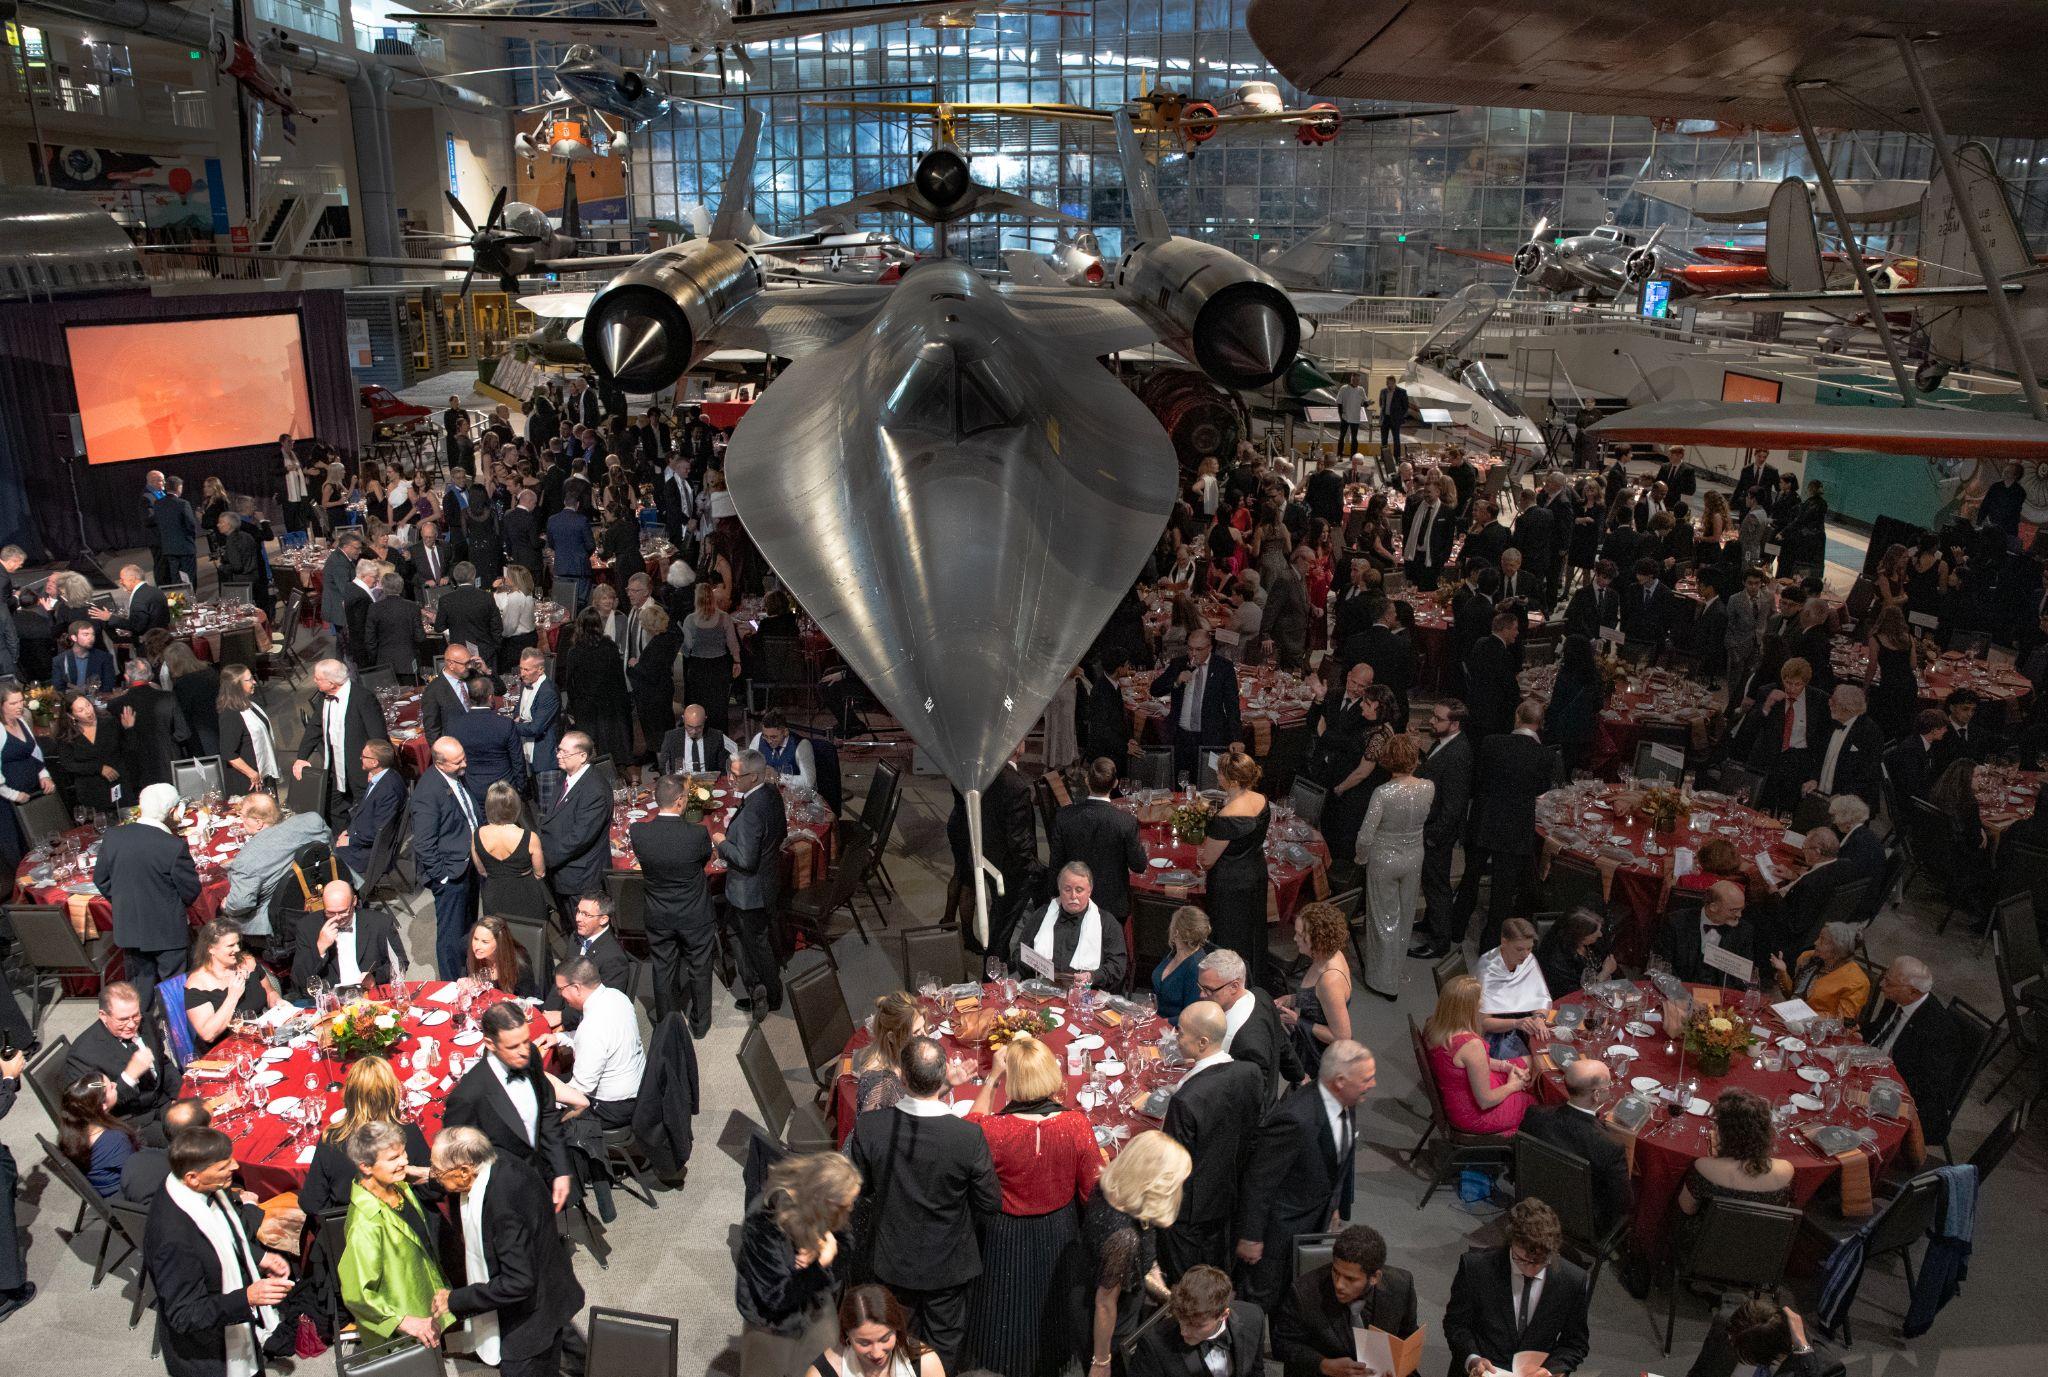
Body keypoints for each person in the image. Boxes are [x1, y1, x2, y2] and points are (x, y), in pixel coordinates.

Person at [844, 1037, 1002, 1371]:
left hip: (892, 1260)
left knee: (897, 1342)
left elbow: (861, 1189)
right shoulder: (967, 1137)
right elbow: (989, 1202)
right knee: (944, 1348)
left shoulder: (870, 1128)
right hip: (948, 1265)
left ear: (901, 1077)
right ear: (944, 1072)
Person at [961, 1036, 1103, 1377]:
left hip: (1004, 1233)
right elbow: (1092, 1191)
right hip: (1060, 1228)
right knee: (1054, 1303)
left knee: (1004, 1305)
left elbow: (969, 1127)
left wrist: (992, 1078)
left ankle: (1002, 1358)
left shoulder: (993, 1131)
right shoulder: (1075, 1124)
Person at [428, 1125, 587, 1377]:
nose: (434, 1175)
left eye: (437, 1170)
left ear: (464, 1172)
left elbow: (518, 1282)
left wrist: (455, 1300)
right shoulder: (496, 1159)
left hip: (532, 1316)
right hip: (549, 1286)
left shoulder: (503, 1209)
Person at [1232, 1040, 1376, 1309]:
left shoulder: (1349, 1101)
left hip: (1312, 1222)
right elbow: (1259, 1179)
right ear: (1341, 1081)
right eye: (1367, 1078)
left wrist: (1333, 1206)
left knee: (1294, 1297)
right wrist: (1251, 1235)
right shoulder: (1295, 1118)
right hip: (1277, 1234)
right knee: (1259, 1300)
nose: (1373, 1084)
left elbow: (1338, 1161)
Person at [143, 1127, 293, 1377]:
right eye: (224, 1166)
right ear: (193, 1177)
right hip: (210, 1357)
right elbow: (184, 1314)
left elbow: (223, 1235)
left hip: (237, 1329)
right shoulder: (173, 1238)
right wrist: (246, 1298)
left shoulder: (197, 1187)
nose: (234, 1167)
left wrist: (260, 1257)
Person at [1158, 1001, 1266, 1281]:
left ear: (1202, 1042)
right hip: (1230, 1198)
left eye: (1180, 1033)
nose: (1175, 1037)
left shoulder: (1186, 1100)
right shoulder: (1251, 1073)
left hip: (1189, 1214)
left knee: (1185, 1286)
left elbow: (1172, 1165)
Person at [443, 1001, 574, 1212]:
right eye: (513, 1046)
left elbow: (547, 1113)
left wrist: (560, 1168)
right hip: (503, 1202)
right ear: (489, 1043)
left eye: (525, 1041)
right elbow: (458, 1163)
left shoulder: (529, 1056)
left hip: (542, 1181)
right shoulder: (468, 1096)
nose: (524, 1051)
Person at [739, 1151, 860, 1377]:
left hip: (814, 1310)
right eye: (847, 1204)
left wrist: (830, 1249)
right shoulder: (765, 1220)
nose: (851, 1209)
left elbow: (845, 1245)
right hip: (773, 1327)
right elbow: (775, 1297)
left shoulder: (827, 1208)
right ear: (824, 1200)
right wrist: (821, 1264)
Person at [338, 1120, 455, 1352]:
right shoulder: (366, 1223)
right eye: (393, 1159)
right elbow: (357, 1294)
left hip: (423, 1304)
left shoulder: (398, 1186)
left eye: (403, 1153)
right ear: (366, 1166)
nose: (405, 1162)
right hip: (403, 1333)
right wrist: (403, 1321)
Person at [1079, 1129, 1189, 1377]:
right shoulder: (1124, 1237)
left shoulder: (1117, 1188)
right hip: (1112, 1319)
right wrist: (1101, 1361)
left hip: (1107, 1292)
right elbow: (1105, 1303)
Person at [94, 783, 203, 1015]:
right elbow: (190, 890)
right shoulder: (172, 846)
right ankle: (181, 1045)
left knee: (140, 995)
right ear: (174, 811)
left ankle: (141, 1040)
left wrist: (127, 904)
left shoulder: (113, 836)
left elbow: (101, 879)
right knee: (174, 995)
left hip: (130, 929)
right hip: (168, 933)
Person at [1455, 700, 1552, 951]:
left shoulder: (1491, 743)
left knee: (1470, 878)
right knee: (1502, 892)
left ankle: (1456, 928)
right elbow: (1541, 789)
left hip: (1484, 820)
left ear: (1517, 716)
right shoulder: (1544, 755)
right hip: (1515, 829)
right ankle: (1488, 944)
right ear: (1539, 724)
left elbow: (1478, 778)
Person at [1273, 1223, 1418, 1377]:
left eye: (1350, 1279)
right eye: (1335, 1272)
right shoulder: (1304, 1292)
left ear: (1375, 1277)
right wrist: (1323, 1364)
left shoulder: (1401, 1285)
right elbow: (1282, 1343)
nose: (1339, 1284)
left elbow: (1407, 1335)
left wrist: (1396, 1367)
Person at [634, 773, 719, 1032]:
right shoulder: (697, 834)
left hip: (659, 915)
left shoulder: (637, 832)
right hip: (694, 915)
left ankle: (667, 1025)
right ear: (680, 802)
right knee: (700, 968)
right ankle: (700, 1025)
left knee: (662, 968)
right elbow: (705, 860)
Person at [298, 1054, 431, 1219]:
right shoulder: (408, 1132)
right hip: (404, 1229)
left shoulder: (332, 1140)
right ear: (391, 1093)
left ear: (349, 1094)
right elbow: (431, 1192)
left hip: (352, 1233)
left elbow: (312, 1203)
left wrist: (347, 1216)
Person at [1349, 732, 1431, 997]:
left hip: (1384, 859)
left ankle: (1382, 981)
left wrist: (1360, 858)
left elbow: (1365, 835)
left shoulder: (1382, 793)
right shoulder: (1428, 787)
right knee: (1405, 916)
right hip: (1414, 857)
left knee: (1383, 919)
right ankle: (1395, 971)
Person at [1516, 1060, 1631, 1235]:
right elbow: (1621, 1204)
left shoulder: (1536, 1115)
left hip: (1533, 1201)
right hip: (1581, 1225)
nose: (1610, 1089)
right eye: (1609, 1086)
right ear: (1597, 1095)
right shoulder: (1610, 1147)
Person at [1674, 1090, 1795, 1256]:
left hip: (1703, 1251)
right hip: (1756, 1255)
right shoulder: (1785, 1170)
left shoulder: (1704, 1167)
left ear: (1725, 1134)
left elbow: (1686, 1208)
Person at [1859, 956, 1965, 1144]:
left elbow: (1929, 1086)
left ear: (1913, 992)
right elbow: (1880, 1029)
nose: (1882, 984)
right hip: (1871, 1071)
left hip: (1905, 1098)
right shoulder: (1896, 998)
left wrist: (1879, 1079)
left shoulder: (1940, 1031)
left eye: (1889, 983)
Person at [719, 747, 790, 1014]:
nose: (731, 779)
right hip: (767, 882)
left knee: (757, 944)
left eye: (736, 775)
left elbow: (745, 860)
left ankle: (770, 995)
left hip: (749, 891)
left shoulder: (751, 812)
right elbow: (781, 831)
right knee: (736, 932)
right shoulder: (771, 794)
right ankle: (756, 985)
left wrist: (722, 842)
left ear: (754, 777)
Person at [1193, 748, 1271, 988]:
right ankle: (1253, 980)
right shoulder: (1261, 801)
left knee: (1230, 935)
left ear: (1233, 780)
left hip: (1230, 884)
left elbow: (1207, 860)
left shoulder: (1227, 816)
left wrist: (1200, 856)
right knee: (1253, 931)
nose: (1218, 777)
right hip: (1256, 873)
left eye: (1221, 774)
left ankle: (1227, 985)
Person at [1423, 976, 1533, 1135]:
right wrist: (1513, 1086)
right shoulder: (1471, 1045)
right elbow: (1485, 1101)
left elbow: (1470, 1064)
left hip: (1460, 1094)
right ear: (1470, 1009)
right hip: (1475, 1114)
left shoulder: (1433, 1026)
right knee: (1534, 1105)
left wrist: (1507, 1066)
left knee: (1526, 1062)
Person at [1049, 756, 1147, 929]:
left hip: (1075, 902)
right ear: (1115, 783)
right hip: (1113, 908)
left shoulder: (1064, 817)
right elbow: (1139, 865)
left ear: (1087, 781)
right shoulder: (1125, 822)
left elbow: (1056, 864)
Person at [412, 736, 482, 979]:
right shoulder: (427, 793)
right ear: (440, 763)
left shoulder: (455, 777)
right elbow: (423, 842)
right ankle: (451, 984)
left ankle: (469, 972)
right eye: (457, 762)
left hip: (468, 865)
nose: (464, 765)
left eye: (463, 758)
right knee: (451, 937)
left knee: (468, 926)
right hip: (451, 874)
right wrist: (442, 877)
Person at [218, 792, 331, 937]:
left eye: (243, 816)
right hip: (319, 890)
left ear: (258, 823)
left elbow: (241, 904)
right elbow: (328, 850)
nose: (241, 820)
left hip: (277, 918)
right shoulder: (312, 821)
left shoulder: (247, 859)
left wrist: (227, 906)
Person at [64, 981, 176, 1128]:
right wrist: (129, 1076)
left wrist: (180, 1095)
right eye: (123, 1019)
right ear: (103, 1016)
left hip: (163, 1102)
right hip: (129, 1121)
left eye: (135, 1016)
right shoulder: (83, 1055)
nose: (131, 1025)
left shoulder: (146, 1021)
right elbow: (91, 1108)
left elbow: (163, 1062)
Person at [293, 658, 392, 824]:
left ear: (332, 683)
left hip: (360, 767)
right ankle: (343, 839)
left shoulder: (363, 698)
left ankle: (366, 844)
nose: (314, 681)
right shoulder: (324, 698)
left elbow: (378, 737)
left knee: (367, 810)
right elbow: (314, 728)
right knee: (332, 807)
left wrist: (375, 768)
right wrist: (302, 757)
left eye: (318, 678)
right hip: (334, 766)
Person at [1009, 861, 1130, 989]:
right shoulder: (1042, 914)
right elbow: (1019, 953)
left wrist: (1093, 977)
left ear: (1089, 891)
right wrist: (1033, 965)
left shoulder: (1107, 922)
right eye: (1067, 889)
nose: (1073, 896)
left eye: (1079, 890)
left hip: (1086, 995)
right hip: (1041, 990)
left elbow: (1118, 966)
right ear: (1059, 890)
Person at [1129, 1264, 1264, 1377]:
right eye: (1181, 1320)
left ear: (1223, 1315)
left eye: (1196, 1325)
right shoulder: (1154, 1344)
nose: (1184, 1332)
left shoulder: (1253, 1317)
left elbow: (1256, 1371)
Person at [1150, 630, 1241, 783]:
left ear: (1209, 648)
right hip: (1181, 736)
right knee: (1181, 783)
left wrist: (1236, 738)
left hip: (1210, 737)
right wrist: (1176, 681)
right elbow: (1155, 690)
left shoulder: (1223, 668)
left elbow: (1232, 705)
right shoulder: (1179, 664)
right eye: (1190, 649)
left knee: (1208, 784)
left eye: (1198, 650)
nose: (1193, 654)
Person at [182, 918, 282, 1056]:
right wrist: (233, 996)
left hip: (261, 1038)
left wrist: (280, 1004)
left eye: (237, 943)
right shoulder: (197, 984)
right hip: (228, 1051)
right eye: (230, 946)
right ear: (211, 948)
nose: (237, 949)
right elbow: (208, 1034)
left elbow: (270, 993)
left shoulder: (247, 962)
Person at [1277, 902, 1355, 1073]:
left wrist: (1298, 1021)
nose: (1294, 939)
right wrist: (1291, 999)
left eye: (1299, 935)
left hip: (1321, 1057)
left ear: (1317, 939)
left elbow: (1341, 1037)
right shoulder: (1326, 955)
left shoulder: (1330, 980)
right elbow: (1317, 1000)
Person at [803, 1284, 946, 1377]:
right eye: (864, 1343)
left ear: (897, 1329)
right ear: (847, 1335)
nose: (877, 1353)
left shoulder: (926, 1363)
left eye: (885, 1339)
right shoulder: (821, 1374)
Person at [541, 730, 613, 913]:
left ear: (583, 756)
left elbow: (579, 837)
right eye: (559, 750)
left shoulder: (595, 790)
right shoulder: (565, 778)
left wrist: (544, 859)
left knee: (582, 930)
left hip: (581, 879)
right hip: (563, 872)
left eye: (565, 752)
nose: (558, 755)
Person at [1688, 1297, 1845, 1377]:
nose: (1729, 1341)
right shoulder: (1726, 1322)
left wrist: (1802, 1345)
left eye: (1741, 1352)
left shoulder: (1827, 1369)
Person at [1652, 880, 1758, 989]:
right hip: (1681, 990)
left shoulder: (1744, 931)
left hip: (1721, 995)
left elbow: (1745, 976)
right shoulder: (1676, 923)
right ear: (1713, 907)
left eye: (1741, 909)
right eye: (1734, 910)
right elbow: (1662, 966)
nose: (1739, 915)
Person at [473, 778, 550, 927]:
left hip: (494, 895)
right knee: (532, 943)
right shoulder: (529, 837)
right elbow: (540, 873)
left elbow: (481, 870)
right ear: (515, 806)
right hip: (527, 895)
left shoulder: (477, 835)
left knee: (500, 942)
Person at [334, 739, 408, 888]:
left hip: (372, 853)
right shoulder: (385, 777)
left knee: (329, 862)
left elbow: (379, 832)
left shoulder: (388, 790)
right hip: (363, 840)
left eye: (364, 756)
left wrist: (350, 840)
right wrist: (348, 832)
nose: (360, 758)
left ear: (375, 763)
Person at [1475, 918, 1552, 1059]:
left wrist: (1540, 1017)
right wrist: (1517, 1023)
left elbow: (1540, 998)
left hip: (1522, 1025)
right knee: (1539, 1062)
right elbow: (1483, 1023)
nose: (1526, 954)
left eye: (1529, 948)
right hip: (1495, 1035)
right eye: (1519, 949)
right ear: (1504, 942)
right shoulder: (1488, 969)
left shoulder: (1528, 959)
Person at [448, 673, 527, 803]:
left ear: (468, 698)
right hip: (503, 791)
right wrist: (521, 788)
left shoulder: (455, 726)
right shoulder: (505, 724)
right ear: (490, 697)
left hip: (472, 790)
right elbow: (518, 760)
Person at [59, 1073, 141, 1196]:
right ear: (102, 1105)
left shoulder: (71, 1134)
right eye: (111, 1087)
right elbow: (138, 1173)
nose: (115, 1084)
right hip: (129, 1195)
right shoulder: (114, 1140)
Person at [1770, 922, 1871, 1022]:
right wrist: (1782, 972)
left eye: (1822, 940)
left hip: (1824, 1034)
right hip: (1791, 1021)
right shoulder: (1808, 958)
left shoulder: (1857, 981)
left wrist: (1799, 1018)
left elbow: (1841, 1021)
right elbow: (1792, 995)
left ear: (1837, 950)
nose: (1816, 942)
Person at [680, 581, 744, 736]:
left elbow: (687, 647)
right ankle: (720, 737)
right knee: (719, 707)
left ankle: (700, 735)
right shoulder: (724, 617)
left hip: (698, 668)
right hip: (719, 666)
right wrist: (737, 661)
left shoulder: (690, 620)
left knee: (699, 704)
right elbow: (732, 643)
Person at [52, 688, 123, 815]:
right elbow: (69, 765)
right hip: (91, 790)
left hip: (117, 783)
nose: (88, 711)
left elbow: (125, 750)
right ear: (71, 715)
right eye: (81, 710)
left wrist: (128, 729)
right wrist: (98, 768)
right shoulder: (66, 736)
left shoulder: (109, 722)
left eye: (88, 705)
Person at [1542, 635, 1606, 776]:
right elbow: (1598, 705)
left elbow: (1556, 705)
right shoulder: (1594, 675)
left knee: (1559, 768)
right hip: (1583, 731)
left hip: (1562, 731)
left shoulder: (1565, 674)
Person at [852, 992, 924, 1115]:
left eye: (923, 1028)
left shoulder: (903, 1053)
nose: (925, 1035)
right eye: (916, 1032)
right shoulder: (879, 1081)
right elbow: (872, 1128)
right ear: (892, 1037)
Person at [215, 664, 281, 798]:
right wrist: (252, 774)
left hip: (264, 773)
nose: (254, 682)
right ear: (236, 685)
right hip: (248, 781)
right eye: (250, 679)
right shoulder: (230, 714)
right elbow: (229, 753)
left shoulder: (251, 704)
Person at [1532, 909, 1612, 1000]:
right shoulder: (1556, 960)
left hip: (1602, 994)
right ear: (1580, 935)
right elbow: (1573, 994)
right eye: (1595, 932)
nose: (1600, 934)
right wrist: (1604, 974)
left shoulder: (1593, 944)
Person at [1151, 905, 1212, 1023]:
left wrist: (1158, 1024)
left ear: (1176, 933)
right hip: (1155, 1020)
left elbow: (1191, 1016)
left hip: (1175, 1032)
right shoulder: (1173, 952)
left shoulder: (1197, 967)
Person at [467, 915, 541, 998]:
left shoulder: (519, 963)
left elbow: (527, 999)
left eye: (485, 942)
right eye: (476, 939)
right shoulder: (475, 955)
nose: (477, 946)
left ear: (500, 943)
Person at [662, 701, 735, 776]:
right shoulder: (672, 737)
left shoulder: (716, 736)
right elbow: (664, 766)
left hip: (708, 783)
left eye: (699, 727)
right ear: (683, 719)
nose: (694, 731)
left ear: (705, 719)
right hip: (681, 782)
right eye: (690, 727)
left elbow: (723, 767)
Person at [752, 711, 819, 792]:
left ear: (785, 732)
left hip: (796, 795)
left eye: (774, 737)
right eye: (766, 736)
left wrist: (779, 777)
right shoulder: (758, 738)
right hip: (768, 793)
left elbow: (809, 782)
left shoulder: (802, 746)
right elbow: (749, 764)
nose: (769, 741)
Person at [1377, 375, 1409, 462]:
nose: (1388, 385)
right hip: (1385, 419)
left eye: (1389, 383)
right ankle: (1384, 457)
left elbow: (1405, 407)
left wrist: (1399, 416)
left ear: (1394, 382)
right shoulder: (1383, 391)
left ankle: (1397, 457)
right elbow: (1381, 404)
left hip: (1395, 420)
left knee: (1396, 439)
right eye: (1387, 383)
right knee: (1384, 439)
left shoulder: (1401, 392)